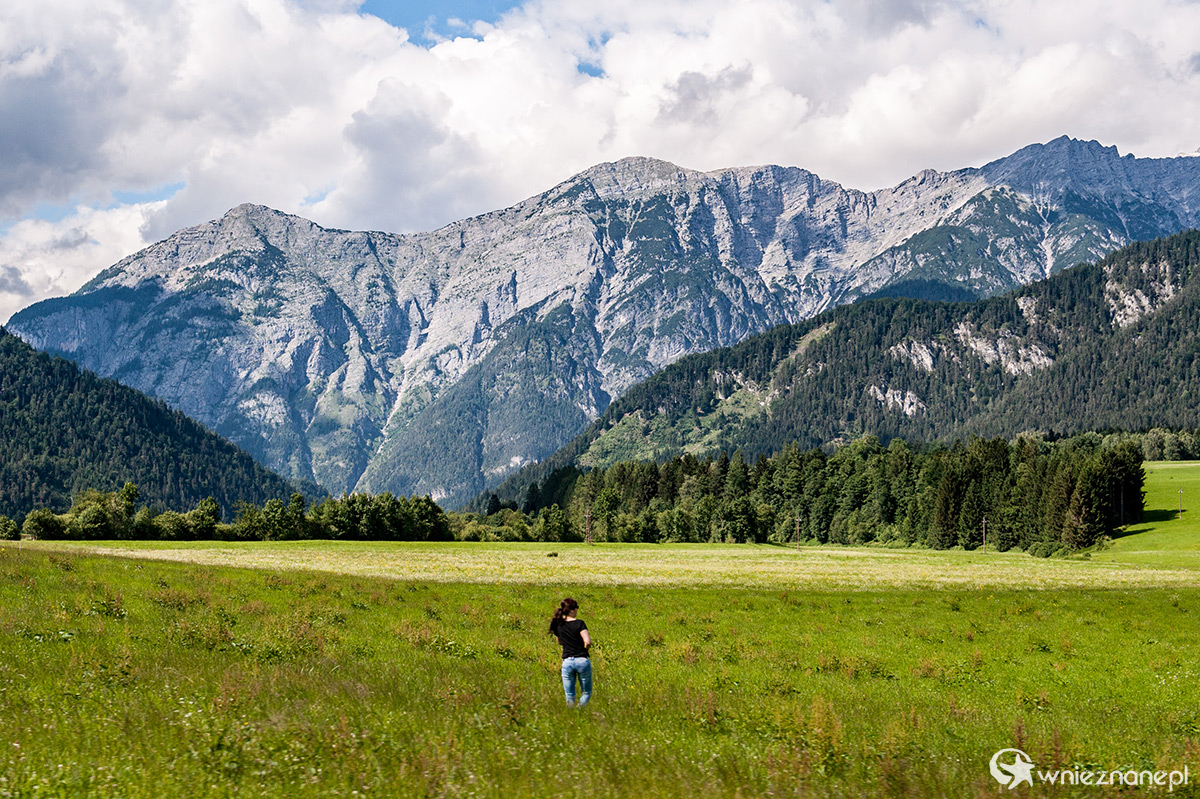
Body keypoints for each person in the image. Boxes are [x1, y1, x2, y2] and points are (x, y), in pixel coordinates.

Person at [548, 597, 592, 707]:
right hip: (582, 660)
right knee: (586, 693)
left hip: (567, 661)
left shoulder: (559, 625)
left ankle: (571, 715)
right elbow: (587, 642)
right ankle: (579, 711)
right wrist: (583, 650)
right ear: (572, 610)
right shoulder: (580, 623)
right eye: (576, 608)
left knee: (569, 694)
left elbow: (559, 642)